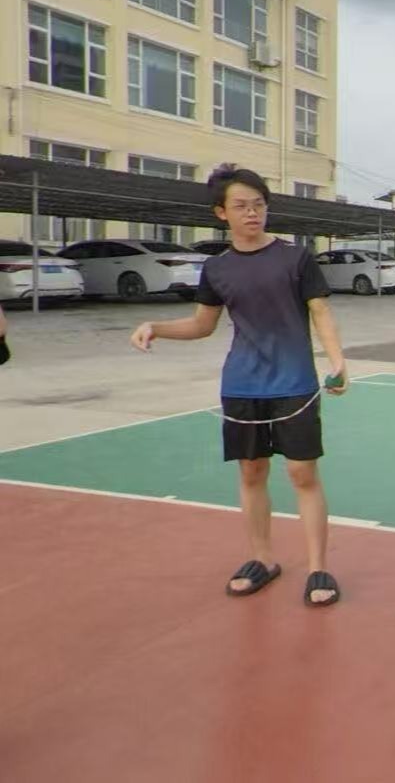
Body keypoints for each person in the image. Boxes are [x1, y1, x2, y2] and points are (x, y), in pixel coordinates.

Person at [130, 165, 347, 606]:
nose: (252, 213)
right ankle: (262, 559)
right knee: (251, 471)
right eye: (242, 206)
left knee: (302, 473)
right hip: (242, 385)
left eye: (259, 204)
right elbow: (202, 324)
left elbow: (320, 311)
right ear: (221, 213)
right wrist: (156, 327)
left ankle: (318, 567)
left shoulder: (296, 258)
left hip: (295, 382)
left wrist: (338, 361)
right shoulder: (217, 268)